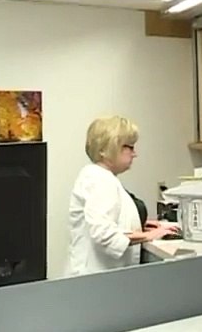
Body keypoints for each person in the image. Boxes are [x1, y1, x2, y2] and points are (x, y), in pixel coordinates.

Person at [67, 116, 178, 276]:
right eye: (130, 147)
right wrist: (148, 236)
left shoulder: (100, 176)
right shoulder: (100, 180)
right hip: (96, 279)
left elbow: (112, 219)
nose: (135, 154)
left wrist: (147, 226)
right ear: (107, 148)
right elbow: (103, 233)